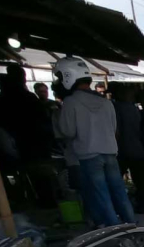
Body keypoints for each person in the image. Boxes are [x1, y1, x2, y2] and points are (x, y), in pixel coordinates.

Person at [55, 57, 135, 227]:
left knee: (101, 193)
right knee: (119, 191)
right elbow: (114, 130)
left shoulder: (71, 102)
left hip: (89, 155)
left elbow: (67, 131)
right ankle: (131, 224)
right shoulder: (105, 102)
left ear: (68, 77)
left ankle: (114, 229)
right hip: (110, 152)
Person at [113, 86, 144, 214]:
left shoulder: (117, 109)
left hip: (121, 150)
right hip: (137, 148)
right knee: (140, 182)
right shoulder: (134, 109)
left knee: (117, 182)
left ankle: (122, 209)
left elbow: (116, 132)